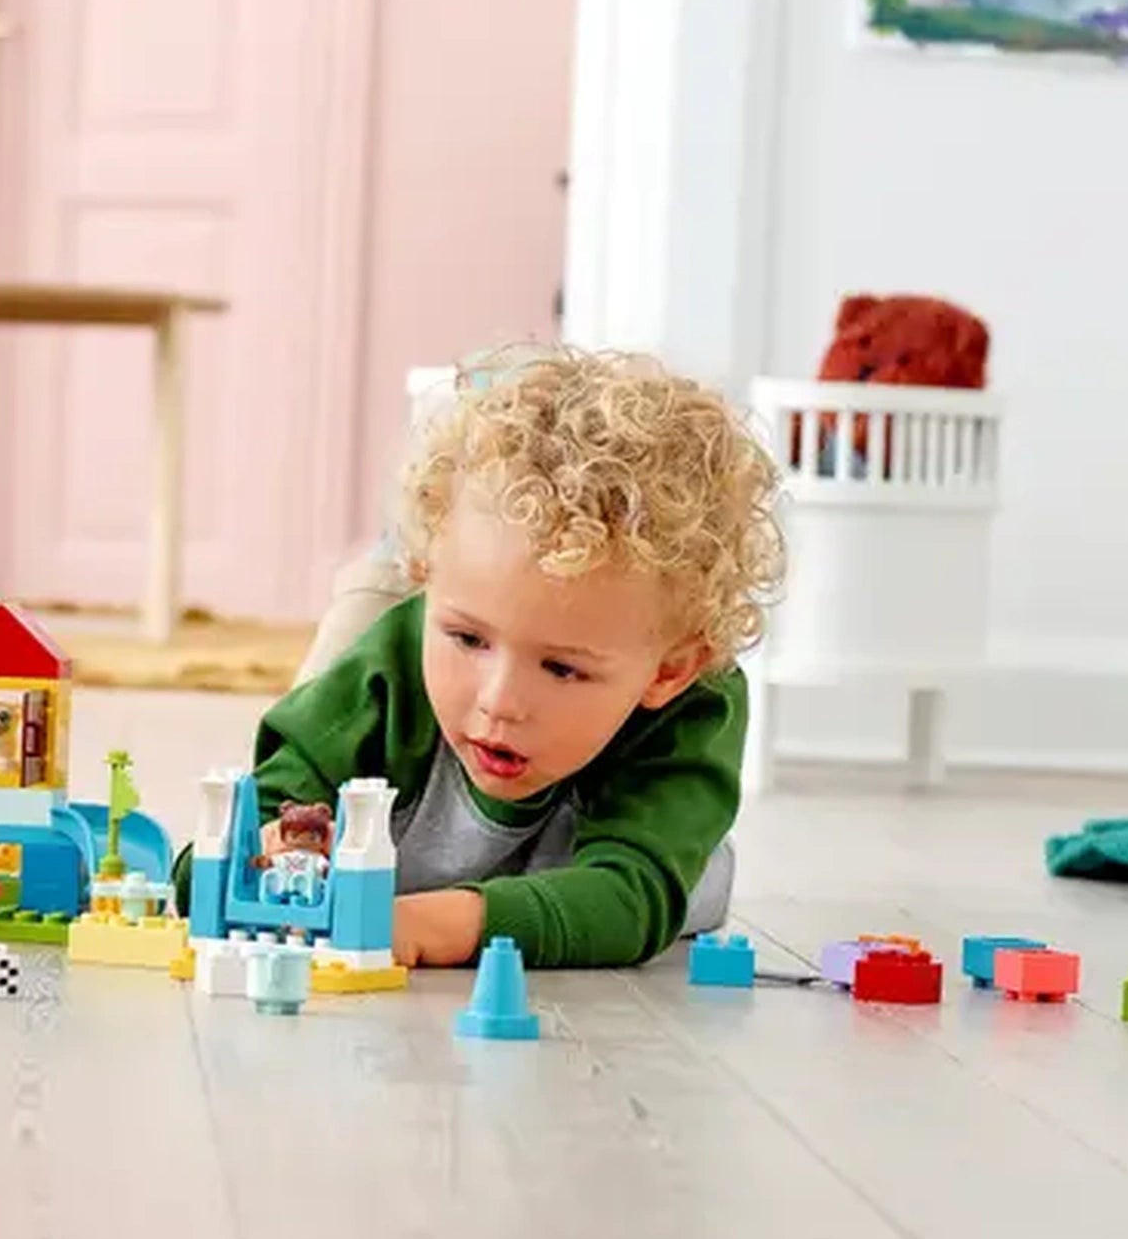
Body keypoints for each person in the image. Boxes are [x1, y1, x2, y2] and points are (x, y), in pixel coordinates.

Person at [241, 347, 784, 970]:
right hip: (399, 647)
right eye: (468, 640)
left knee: (688, 888)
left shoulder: (692, 707)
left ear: (668, 671)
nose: (498, 700)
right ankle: (390, 573)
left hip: (632, 873)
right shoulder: (383, 676)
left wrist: (433, 924)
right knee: (367, 618)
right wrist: (275, 853)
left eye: (562, 668)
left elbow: (627, 896)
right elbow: (225, 850)